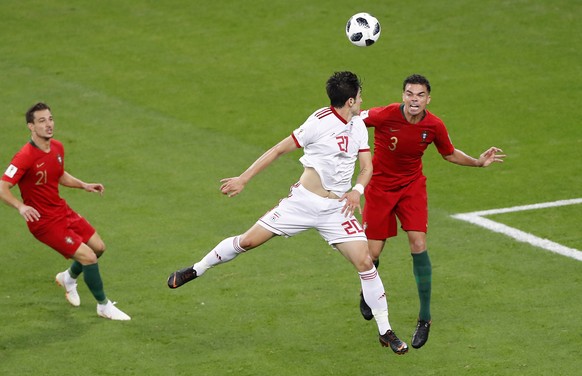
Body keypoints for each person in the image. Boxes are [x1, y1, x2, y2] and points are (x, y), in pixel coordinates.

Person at [167, 71, 408, 354]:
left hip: (337, 210)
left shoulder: (358, 125)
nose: (363, 100)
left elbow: (367, 167)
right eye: (360, 96)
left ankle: (385, 330)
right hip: (302, 204)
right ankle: (197, 269)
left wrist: (357, 190)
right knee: (247, 242)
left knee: (366, 261)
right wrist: (243, 179)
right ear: (351, 100)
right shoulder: (318, 123)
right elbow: (278, 150)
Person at [358, 74, 505, 349]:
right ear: (403, 96)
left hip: (411, 187)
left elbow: (448, 153)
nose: (414, 99)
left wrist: (476, 162)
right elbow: (352, 119)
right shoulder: (384, 115)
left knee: (419, 244)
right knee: (372, 254)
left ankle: (424, 318)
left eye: (420, 95)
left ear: (428, 99)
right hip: (379, 188)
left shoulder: (434, 125)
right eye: (410, 94)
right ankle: (367, 292)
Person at [0, 102, 130, 321]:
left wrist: (84, 185)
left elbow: (58, 174)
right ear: (31, 127)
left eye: (50, 119)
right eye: (41, 121)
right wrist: (21, 206)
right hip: (44, 223)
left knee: (98, 248)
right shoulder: (24, 156)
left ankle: (68, 278)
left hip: (62, 211)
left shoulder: (57, 147)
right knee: (88, 257)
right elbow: (2, 187)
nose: (48, 124)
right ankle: (103, 305)